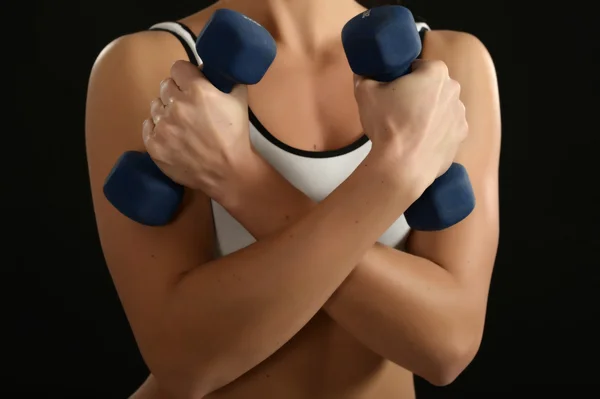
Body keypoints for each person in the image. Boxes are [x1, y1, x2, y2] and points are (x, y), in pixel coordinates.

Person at [85, 0, 500, 397]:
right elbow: (183, 365)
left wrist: (239, 179)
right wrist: (397, 172)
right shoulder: (153, 66)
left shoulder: (447, 63)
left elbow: (447, 348)